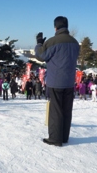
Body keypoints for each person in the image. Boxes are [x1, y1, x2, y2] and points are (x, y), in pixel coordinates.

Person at [35, 16, 80, 146]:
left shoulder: (53, 41)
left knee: (55, 111)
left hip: (55, 81)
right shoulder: (75, 42)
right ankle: (64, 137)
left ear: (55, 27)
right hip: (69, 81)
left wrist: (39, 43)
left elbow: (41, 56)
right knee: (67, 110)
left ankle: (55, 138)